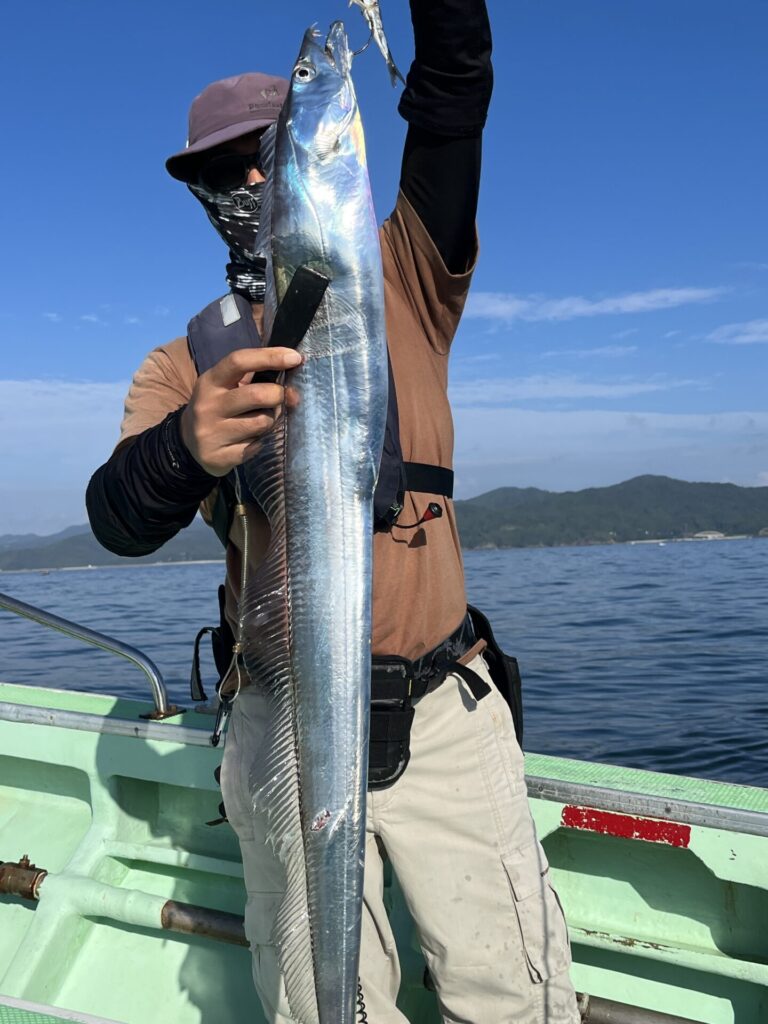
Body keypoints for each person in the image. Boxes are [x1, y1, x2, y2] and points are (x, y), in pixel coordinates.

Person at [87, 2, 580, 1021]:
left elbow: (453, 97)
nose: (249, 182)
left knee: (514, 995)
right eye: (220, 171)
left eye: (264, 154)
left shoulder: (402, 273)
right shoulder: (184, 366)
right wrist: (187, 446)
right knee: (321, 1000)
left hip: (442, 712)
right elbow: (116, 519)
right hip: (280, 718)